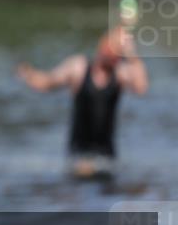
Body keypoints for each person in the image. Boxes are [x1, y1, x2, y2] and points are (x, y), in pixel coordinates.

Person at [17, 27, 148, 179]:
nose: (115, 56)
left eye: (120, 52)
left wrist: (132, 55)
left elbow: (141, 88)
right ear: (103, 46)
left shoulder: (119, 74)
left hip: (107, 160)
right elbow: (47, 82)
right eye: (114, 49)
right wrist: (28, 75)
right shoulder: (78, 68)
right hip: (78, 157)